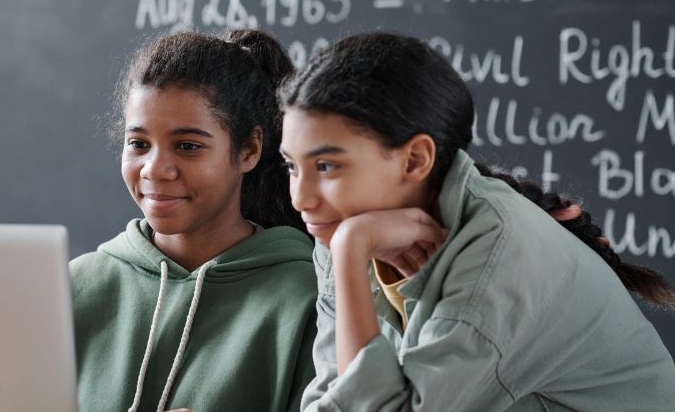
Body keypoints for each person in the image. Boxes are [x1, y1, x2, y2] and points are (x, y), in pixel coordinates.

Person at [277, 31, 675, 411]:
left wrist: (349, 253)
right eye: (292, 166)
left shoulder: (496, 252)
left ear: (415, 159)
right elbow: (329, 401)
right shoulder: (341, 226)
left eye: (326, 166)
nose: (301, 198)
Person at [70, 29, 317, 412]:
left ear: (250, 149)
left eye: (188, 146)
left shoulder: (309, 299)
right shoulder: (75, 288)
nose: (155, 169)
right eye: (138, 144)